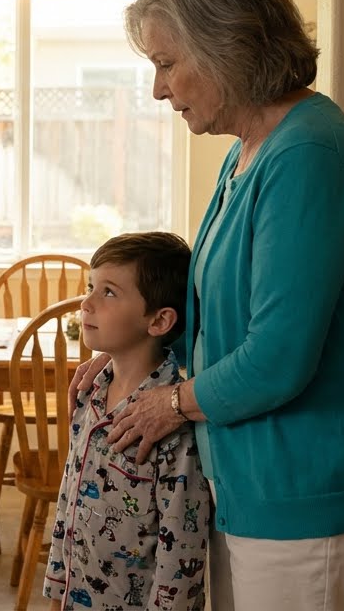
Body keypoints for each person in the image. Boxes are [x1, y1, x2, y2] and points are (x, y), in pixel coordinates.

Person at [70, 0, 344, 610]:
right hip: (251, 486)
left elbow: (277, 358)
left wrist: (168, 404)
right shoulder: (246, 153)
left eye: (167, 64)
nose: (159, 89)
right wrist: (133, 360)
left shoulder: (307, 156)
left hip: (308, 497)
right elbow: (214, 310)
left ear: (227, 48)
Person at [44, 231, 210, 611]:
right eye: (91, 286)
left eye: (109, 292)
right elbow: (68, 501)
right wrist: (57, 592)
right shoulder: (90, 394)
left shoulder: (172, 424)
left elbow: (180, 558)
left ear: (159, 320)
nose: (86, 303)